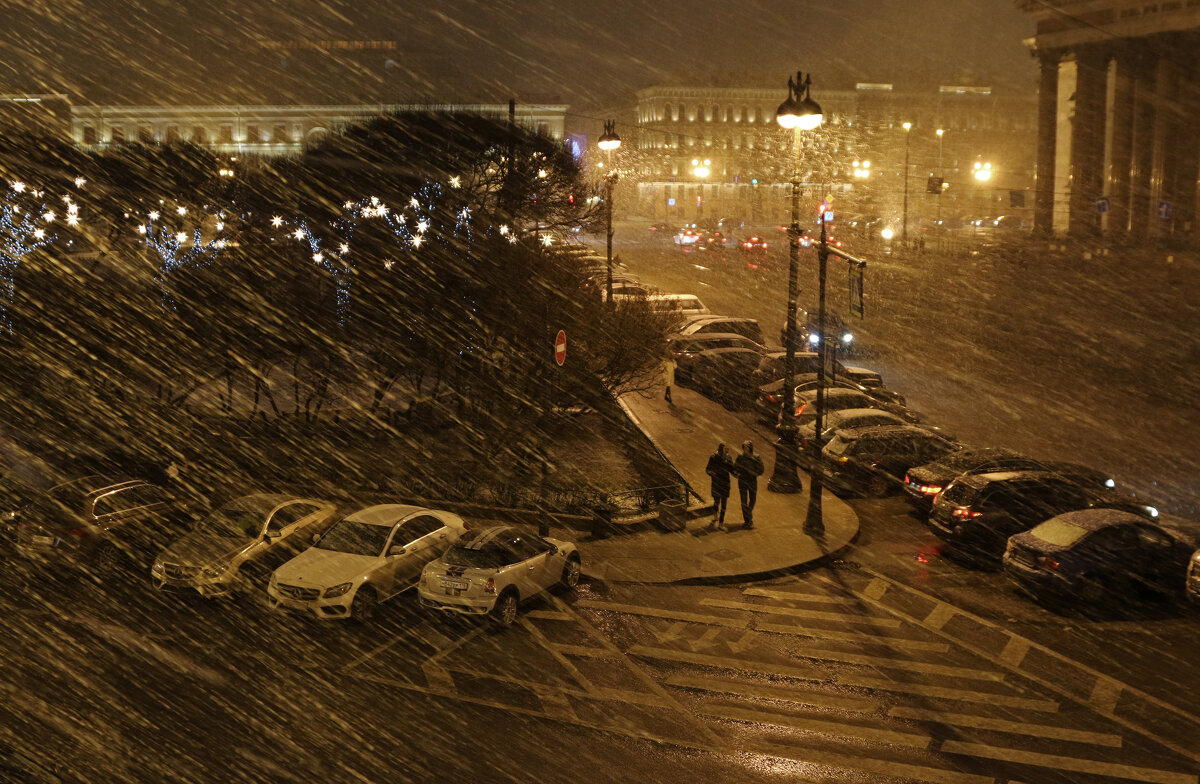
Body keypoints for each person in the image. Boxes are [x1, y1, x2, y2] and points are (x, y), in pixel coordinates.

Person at [734, 440, 765, 529]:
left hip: (752, 481)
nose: (745, 449)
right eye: (744, 447)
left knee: (752, 499)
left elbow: (761, 468)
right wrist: (737, 473)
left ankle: (748, 514)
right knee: (743, 501)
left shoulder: (756, 457)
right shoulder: (740, 457)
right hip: (743, 481)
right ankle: (747, 520)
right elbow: (735, 467)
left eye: (747, 447)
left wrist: (754, 473)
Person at [705, 443, 733, 530]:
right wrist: (712, 473)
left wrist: (738, 473)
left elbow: (732, 469)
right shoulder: (714, 457)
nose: (727, 451)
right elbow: (708, 469)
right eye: (726, 449)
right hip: (717, 482)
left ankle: (721, 523)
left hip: (725, 483)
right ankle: (715, 514)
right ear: (721, 449)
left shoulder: (728, 458)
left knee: (724, 504)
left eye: (728, 449)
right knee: (717, 501)